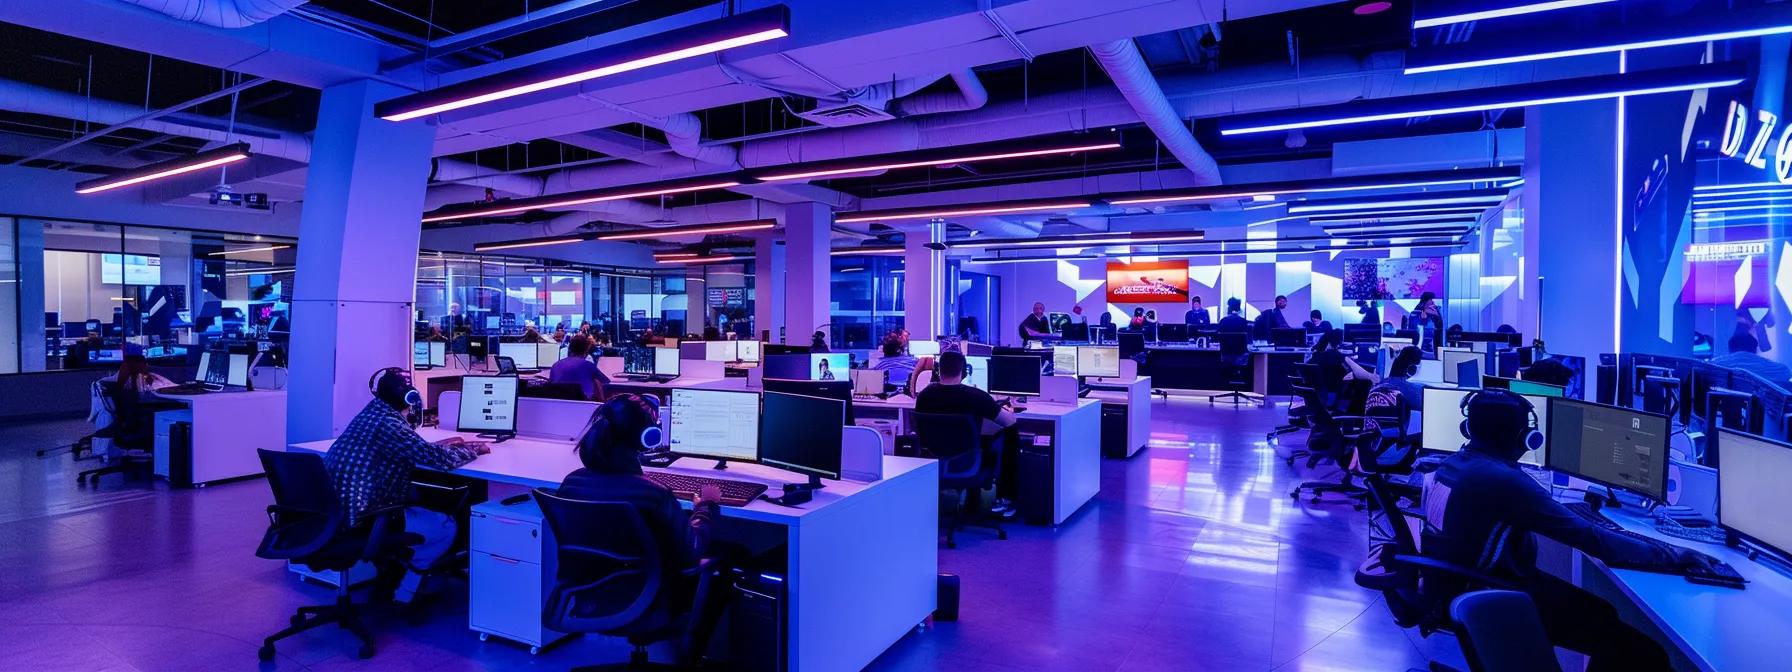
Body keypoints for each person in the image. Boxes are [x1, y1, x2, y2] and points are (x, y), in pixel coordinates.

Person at [1421, 390, 1719, 671]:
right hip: (1490, 592)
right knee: (1640, 652)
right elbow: (1592, 539)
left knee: (1603, 614)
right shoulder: (1502, 480)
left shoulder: (1455, 464)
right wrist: (1675, 555)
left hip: (1454, 587)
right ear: (1524, 437)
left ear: (1468, 428)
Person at [556, 395, 727, 641]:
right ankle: (696, 657)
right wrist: (707, 506)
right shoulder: (653, 494)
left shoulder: (572, 483)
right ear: (647, 438)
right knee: (735, 554)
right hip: (650, 599)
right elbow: (693, 550)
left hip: (588, 594)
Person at [324, 369, 489, 600]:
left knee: (424, 499)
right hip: (365, 517)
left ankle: (393, 577)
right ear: (410, 397)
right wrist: (472, 449)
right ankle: (406, 592)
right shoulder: (390, 425)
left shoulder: (369, 415)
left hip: (336, 515)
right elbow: (439, 460)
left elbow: (412, 448)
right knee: (446, 526)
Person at [916, 351, 1019, 516]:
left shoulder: (924, 396)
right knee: (1010, 434)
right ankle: (1007, 498)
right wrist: (1008, 409)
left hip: (934, 461)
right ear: (964, 372)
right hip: (966, 461)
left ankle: (973, 498)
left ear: (938, 370)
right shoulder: (976, 397)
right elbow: (1010, 422)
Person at [1307, 329, 1378, 392]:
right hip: (1333, 391)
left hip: (1319, 393)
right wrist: (1372, 377)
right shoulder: (1335, 354)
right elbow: (1357, 371)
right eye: (1340, 341)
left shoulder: (1314, 357)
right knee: (1363, 381)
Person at [1711, 331, 1792, 383]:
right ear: (1755, 350)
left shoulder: (1715, 364)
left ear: (1730, 349)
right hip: (1763, 406)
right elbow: (1786, 373)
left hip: (1724, 405)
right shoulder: (1776, 368)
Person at [548, 335, 608, 400]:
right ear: (586, 350)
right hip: (583, 405)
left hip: (557, 404)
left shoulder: (555, 365)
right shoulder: (588, 365)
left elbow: (551, 384)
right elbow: (605, 382)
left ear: (569, 348)